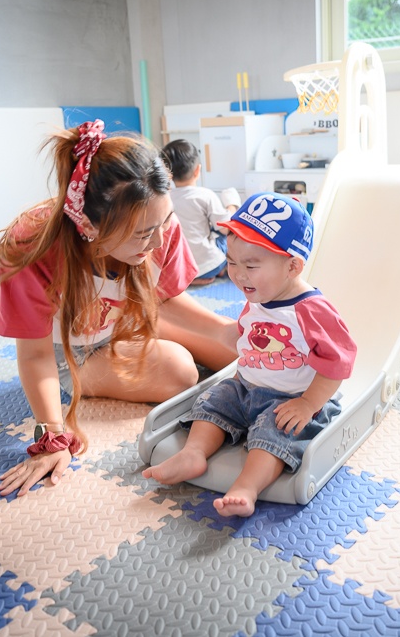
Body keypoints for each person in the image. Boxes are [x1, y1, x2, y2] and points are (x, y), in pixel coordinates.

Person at [0, 120, 236, 498]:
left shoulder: (159, 223)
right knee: (181, 372)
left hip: (129, 321)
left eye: (165, 221)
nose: (158, 240)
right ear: (89, 225)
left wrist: (230, 330)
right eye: (142, 233)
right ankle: (90, 378)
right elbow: (35, 354)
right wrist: (52, 435)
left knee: (240, 350)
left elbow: (167, 301)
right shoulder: (32, 247)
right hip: (71, 353)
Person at [142, 193, 357, 517]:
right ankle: (194, 453)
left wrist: (308, 404)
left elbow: (339, 362)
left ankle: (246, 486)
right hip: (246, 387)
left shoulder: (311, 309)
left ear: (292, 266)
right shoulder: (258, 294)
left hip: (291, 398)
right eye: (231, 262)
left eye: (251, 265)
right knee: (215, 400)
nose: (238, 274)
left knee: (276, 431)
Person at [160, 139, 239, 286]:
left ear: (167, 174)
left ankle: (190, 279)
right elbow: (226, 228)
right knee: (226, 236)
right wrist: (232, 204)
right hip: (208, 266)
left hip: (177, 268)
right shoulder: (205, 195)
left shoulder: (163, 198)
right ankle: (219, 269)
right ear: (197, 170)